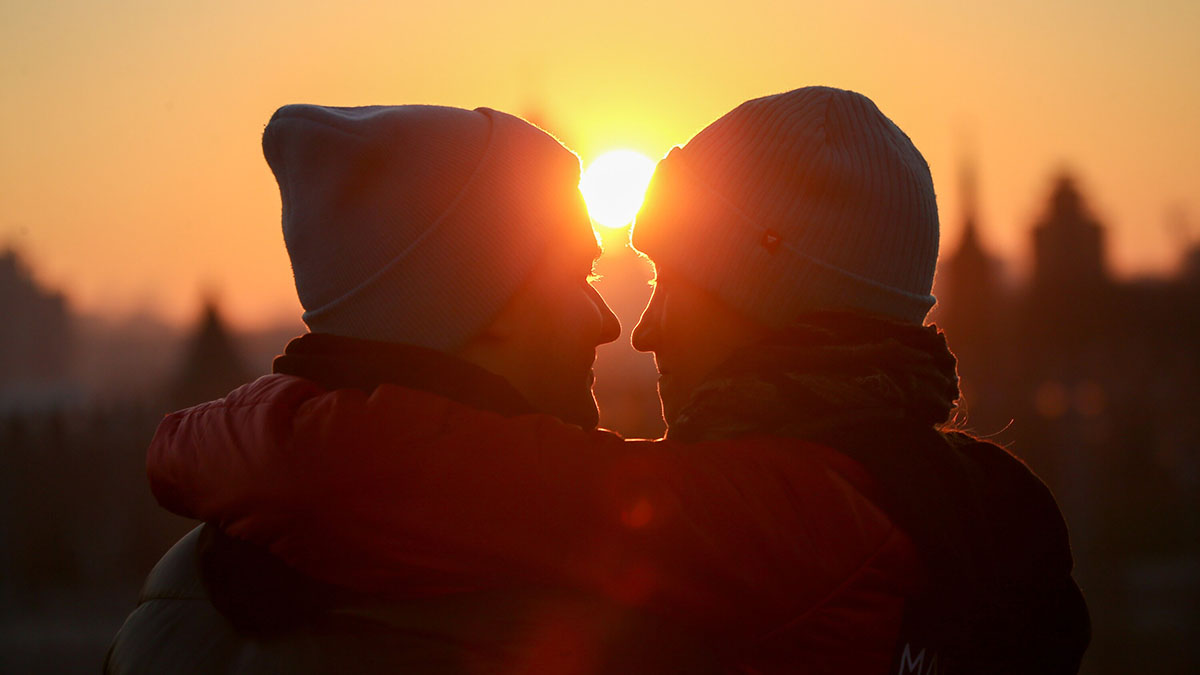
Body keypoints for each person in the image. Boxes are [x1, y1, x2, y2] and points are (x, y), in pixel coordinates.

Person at [125, 88, 1090, 673]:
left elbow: (379, 474)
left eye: (681, 282)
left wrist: (207, 438)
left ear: (775, 311)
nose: (638, 322)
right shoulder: (929, 496)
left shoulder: (774, 517)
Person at [106, 103, 637, 673]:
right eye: (580, 276)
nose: (608, 322)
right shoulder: (552, 602)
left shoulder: (177, 609)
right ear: (478, 314)